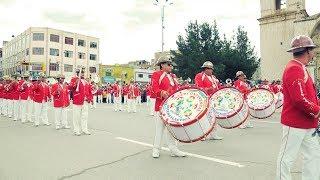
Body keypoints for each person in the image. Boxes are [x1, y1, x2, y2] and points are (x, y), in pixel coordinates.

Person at [276, 35, 320, 180]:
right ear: (307, 51)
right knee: (287, 159)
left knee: (313, 156)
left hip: (308, 122)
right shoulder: (294, 69)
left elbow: (309, 95)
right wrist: (317, 110)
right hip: (295, 123)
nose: (314, 52)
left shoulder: (300, 67)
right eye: (312, 49)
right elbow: (299, 99)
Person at [151, 56, 186, 158]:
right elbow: (154, 89)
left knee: (172, 129)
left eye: (171, 64)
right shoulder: (156, 74)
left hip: (172, 107)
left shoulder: (173, 76)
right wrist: (162, 92)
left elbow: (177, 89)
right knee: (159, 129)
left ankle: (173, 149)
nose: (171, 66)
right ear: (162, 65)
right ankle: (156, 149)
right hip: (161, 106)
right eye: (168, 64)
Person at [194, 61, 223, 140]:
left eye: (212, 69)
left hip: (213, 100)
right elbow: (199, 88)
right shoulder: (199, 76)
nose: (211, 71)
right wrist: (209, 89)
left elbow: (218, 86)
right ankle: (203, 134)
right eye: (210, 69)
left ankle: (213, 133)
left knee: (213, 117)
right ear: (205, 69)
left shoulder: (213, 77)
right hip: (204, 99)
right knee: (203, 118)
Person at [69, 67, 92, 135]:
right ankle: (76, 130)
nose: (82, 74)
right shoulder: (74, 79)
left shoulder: (86, 81)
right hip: (77, 100)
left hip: (85, 101)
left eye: (83, 73)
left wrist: (89, 98)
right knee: (76, 116)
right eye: (81, 73)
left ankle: (84, 129)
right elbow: (70, 87)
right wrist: (75, 83)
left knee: (85, 116)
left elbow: (89, 91)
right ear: (78, 73)